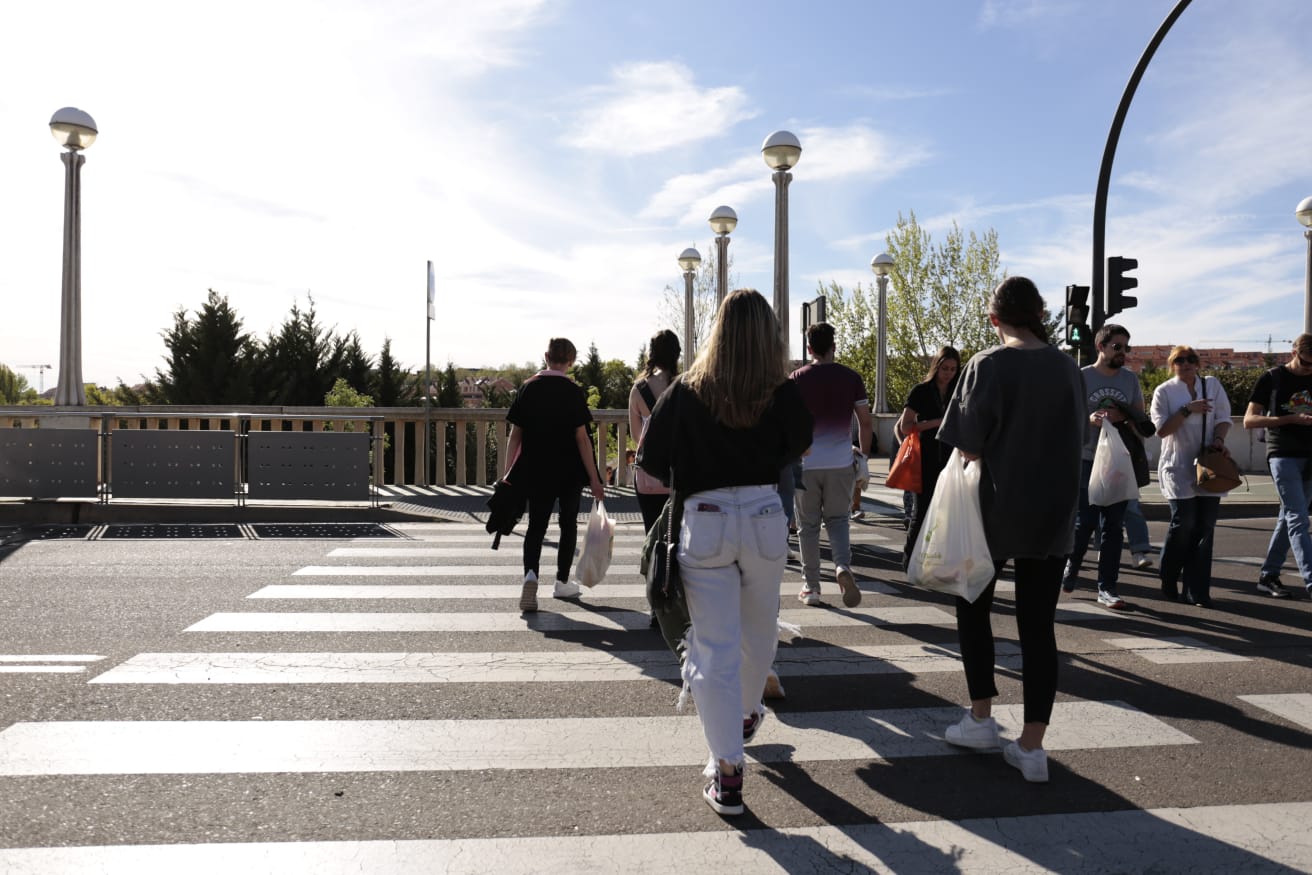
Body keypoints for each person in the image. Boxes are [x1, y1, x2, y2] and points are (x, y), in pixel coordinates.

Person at [637, 289, 812, 816]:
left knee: (713, 647)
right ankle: (747, 711)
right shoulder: (779, 391)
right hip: (762, 513)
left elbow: (649, 461)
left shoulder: (689, 389)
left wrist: (695, 475)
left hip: (706, 517)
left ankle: (729, 771)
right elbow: (800, 442)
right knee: (759, 634)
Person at [937, 276, 1084, 784]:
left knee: (973, 605)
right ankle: (1032, 746)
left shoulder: (987, 365)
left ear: (994, 318)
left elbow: (967, 444)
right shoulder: (1068, 368)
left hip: (995, 510)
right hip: (1055, 512)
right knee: (1038, 626)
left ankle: (980, 716)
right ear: (1039, 313)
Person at [504, 338, 607, 613]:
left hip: (537, 469)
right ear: (571, 361)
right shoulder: (573, 391)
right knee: (568, 524)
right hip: (569, 471)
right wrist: (595, 479)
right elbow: (582, 438)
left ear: (546, 356)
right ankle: (562, 582)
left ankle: (530, 576)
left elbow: (515, 436)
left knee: (536, 526)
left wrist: (507, 474)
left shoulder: (528, 388)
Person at [791, 322, 873, 608]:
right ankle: (842, 567)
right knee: (838, 521)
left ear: (810, 348)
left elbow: (789, 425)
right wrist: (863, 456)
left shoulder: (797, 379)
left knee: (808, 526)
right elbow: (864, 421)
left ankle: (811, 587)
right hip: (841, 463)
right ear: (833, 347)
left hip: (806, 464)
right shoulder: (851, 378)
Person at [1063, 323, 1144, 610]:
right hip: (1087, 458)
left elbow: (1141, 419)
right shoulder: (1082, 376)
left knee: (1113, 525)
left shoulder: (1130, 380)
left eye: (1126, 347)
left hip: (1119, 461)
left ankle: (1107, 588)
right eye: (1117, 347)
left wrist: (1122, 415)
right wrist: (1090, 419)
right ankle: (1071, 566)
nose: (1123, 352)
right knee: (1084, 522)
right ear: (1101, 347)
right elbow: (1065, 416)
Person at [1151, 344, 1232, 607]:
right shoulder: (1164, 391)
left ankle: (1197, 591)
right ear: (1172, 364)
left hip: (1209, 465)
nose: (1185, 364)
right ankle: (1169, 574)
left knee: (1205, 528)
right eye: (1179, 360)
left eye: (1190, 359)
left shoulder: (1212, 385)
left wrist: (1219, 439)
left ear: (1197, 363)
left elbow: (1224, 417)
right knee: (1183, 523)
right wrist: (1187, 410)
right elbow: (1162, 430)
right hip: (1178, 465)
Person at [1244, 335, 1312, 600]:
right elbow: (1249, 420)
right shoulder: (1272, 378)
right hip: (1282, 453)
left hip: (1310, 455)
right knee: (1298, 517)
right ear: (1294, 352)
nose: (1309, 368)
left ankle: (1268, 575)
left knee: (1289, 517)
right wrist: (1289, 419)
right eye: (1305, 362)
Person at [897, 347, 961, 568]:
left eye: (953, 369)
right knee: (922, 510)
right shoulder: (921, 391)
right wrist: (935, 422)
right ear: (937, 366)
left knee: (948, 512)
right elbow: (905, 427)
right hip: (925, 457)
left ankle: (938, 560)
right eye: (945, 368)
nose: (949, 373)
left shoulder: (959, 390)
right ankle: (909, 560)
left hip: (952, 458)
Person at [628, 329, 681, 533]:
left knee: (652, 532)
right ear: (676, 354)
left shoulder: (638, 389)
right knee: (679, 534)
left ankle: (652, 564)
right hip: (679, 473)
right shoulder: (685, 385)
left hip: (649, 474)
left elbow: (636, 437)